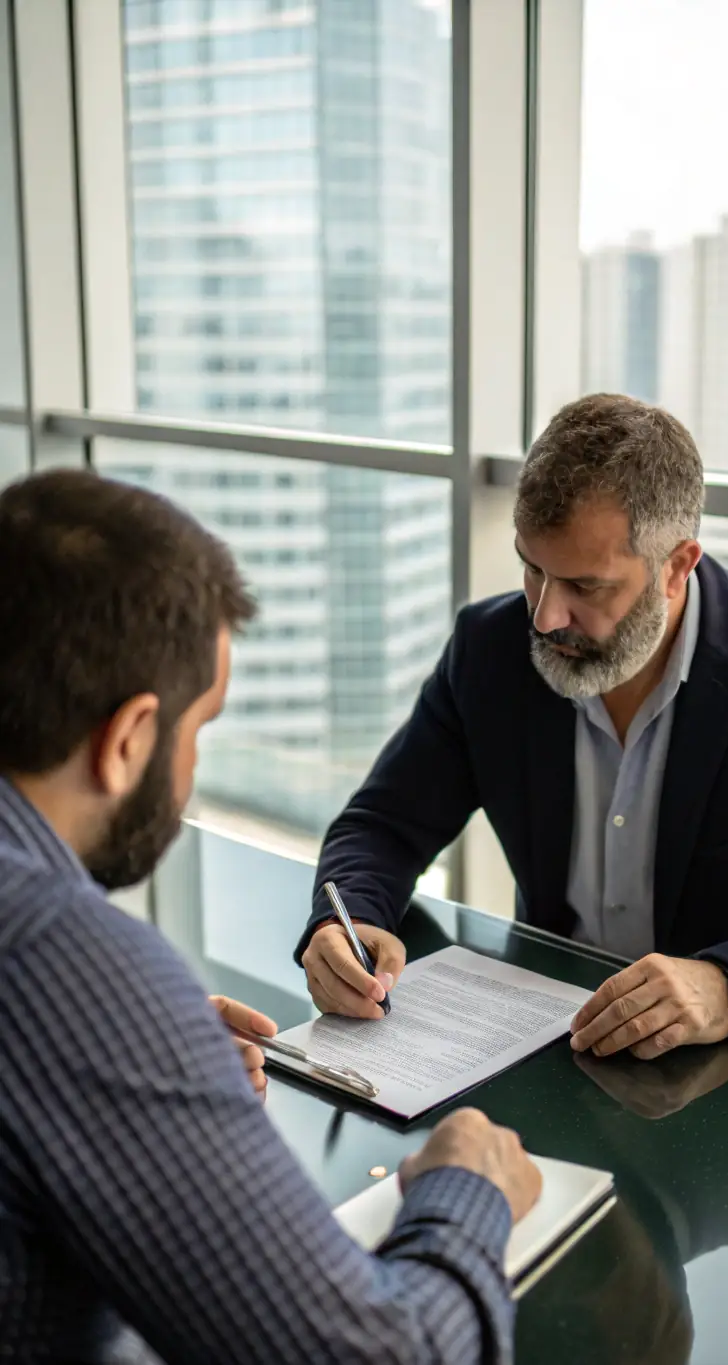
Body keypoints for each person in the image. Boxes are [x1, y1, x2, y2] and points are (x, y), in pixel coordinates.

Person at [0, 469, 540, 1365]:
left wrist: (130, 1051)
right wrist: (465, 1189)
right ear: (131, 735)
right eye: (198, 726)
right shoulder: (59, 958)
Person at [300, 393, 728, 1055]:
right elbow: (384, 824)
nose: (544, 615)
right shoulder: (489, 648)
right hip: (553, 1049)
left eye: (585, 587)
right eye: (532, 568)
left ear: (677, 567)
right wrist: (350, 916)